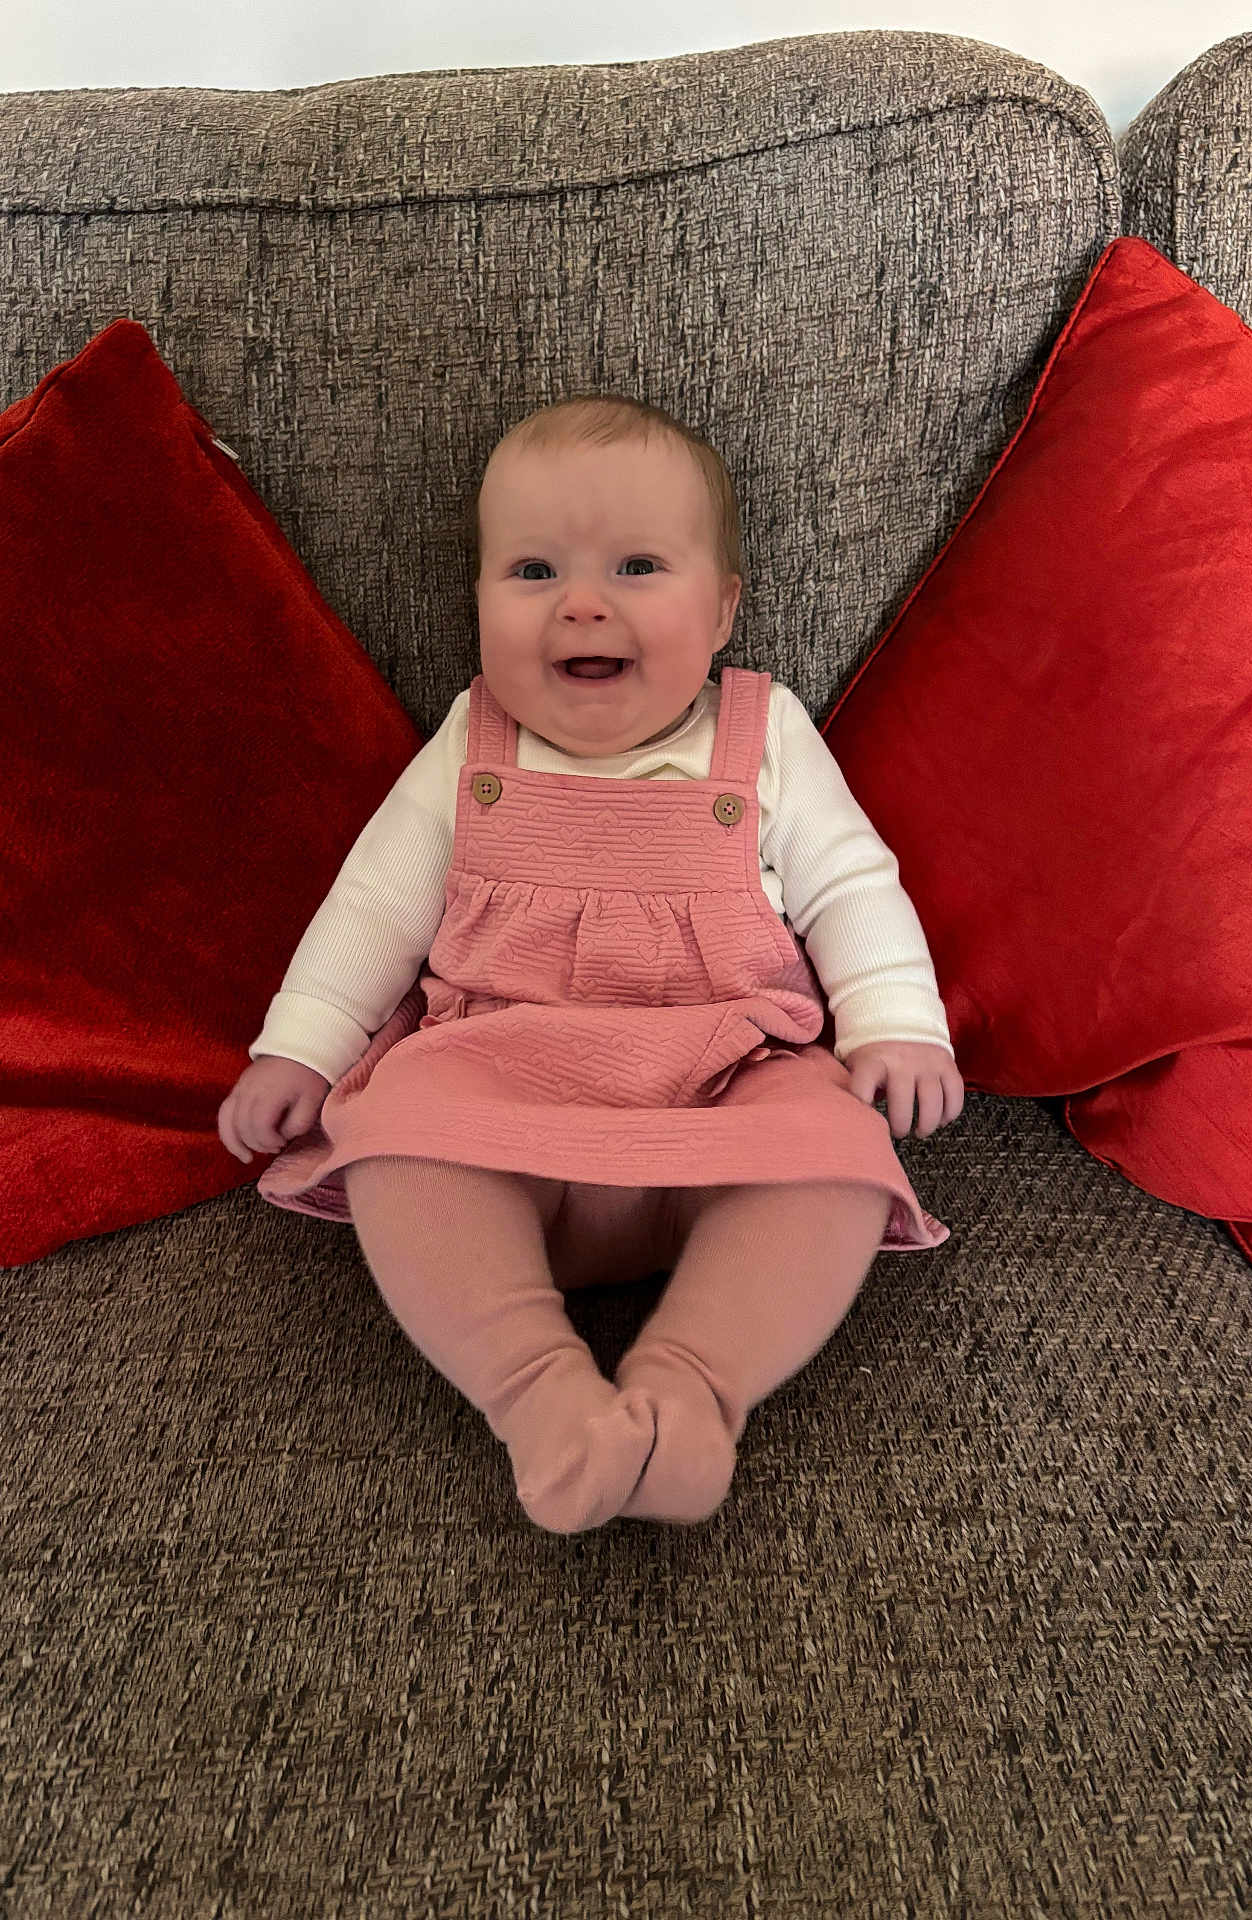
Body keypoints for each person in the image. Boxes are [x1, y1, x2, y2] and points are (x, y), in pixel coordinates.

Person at [217, 394, 966, 1536]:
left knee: (841, 1156)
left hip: (726, 1093)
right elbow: (375, 907)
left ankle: (692, 1386)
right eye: (532, 572)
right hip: (501, 1091)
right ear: (478, 603)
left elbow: (851, 887)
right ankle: (540, 1396)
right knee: (394, 1135)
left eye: (636, 566)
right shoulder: (472, 744)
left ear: (723, 612)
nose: (580, 603)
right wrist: (302, 1048)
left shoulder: (764, 738)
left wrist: (897, 1023)